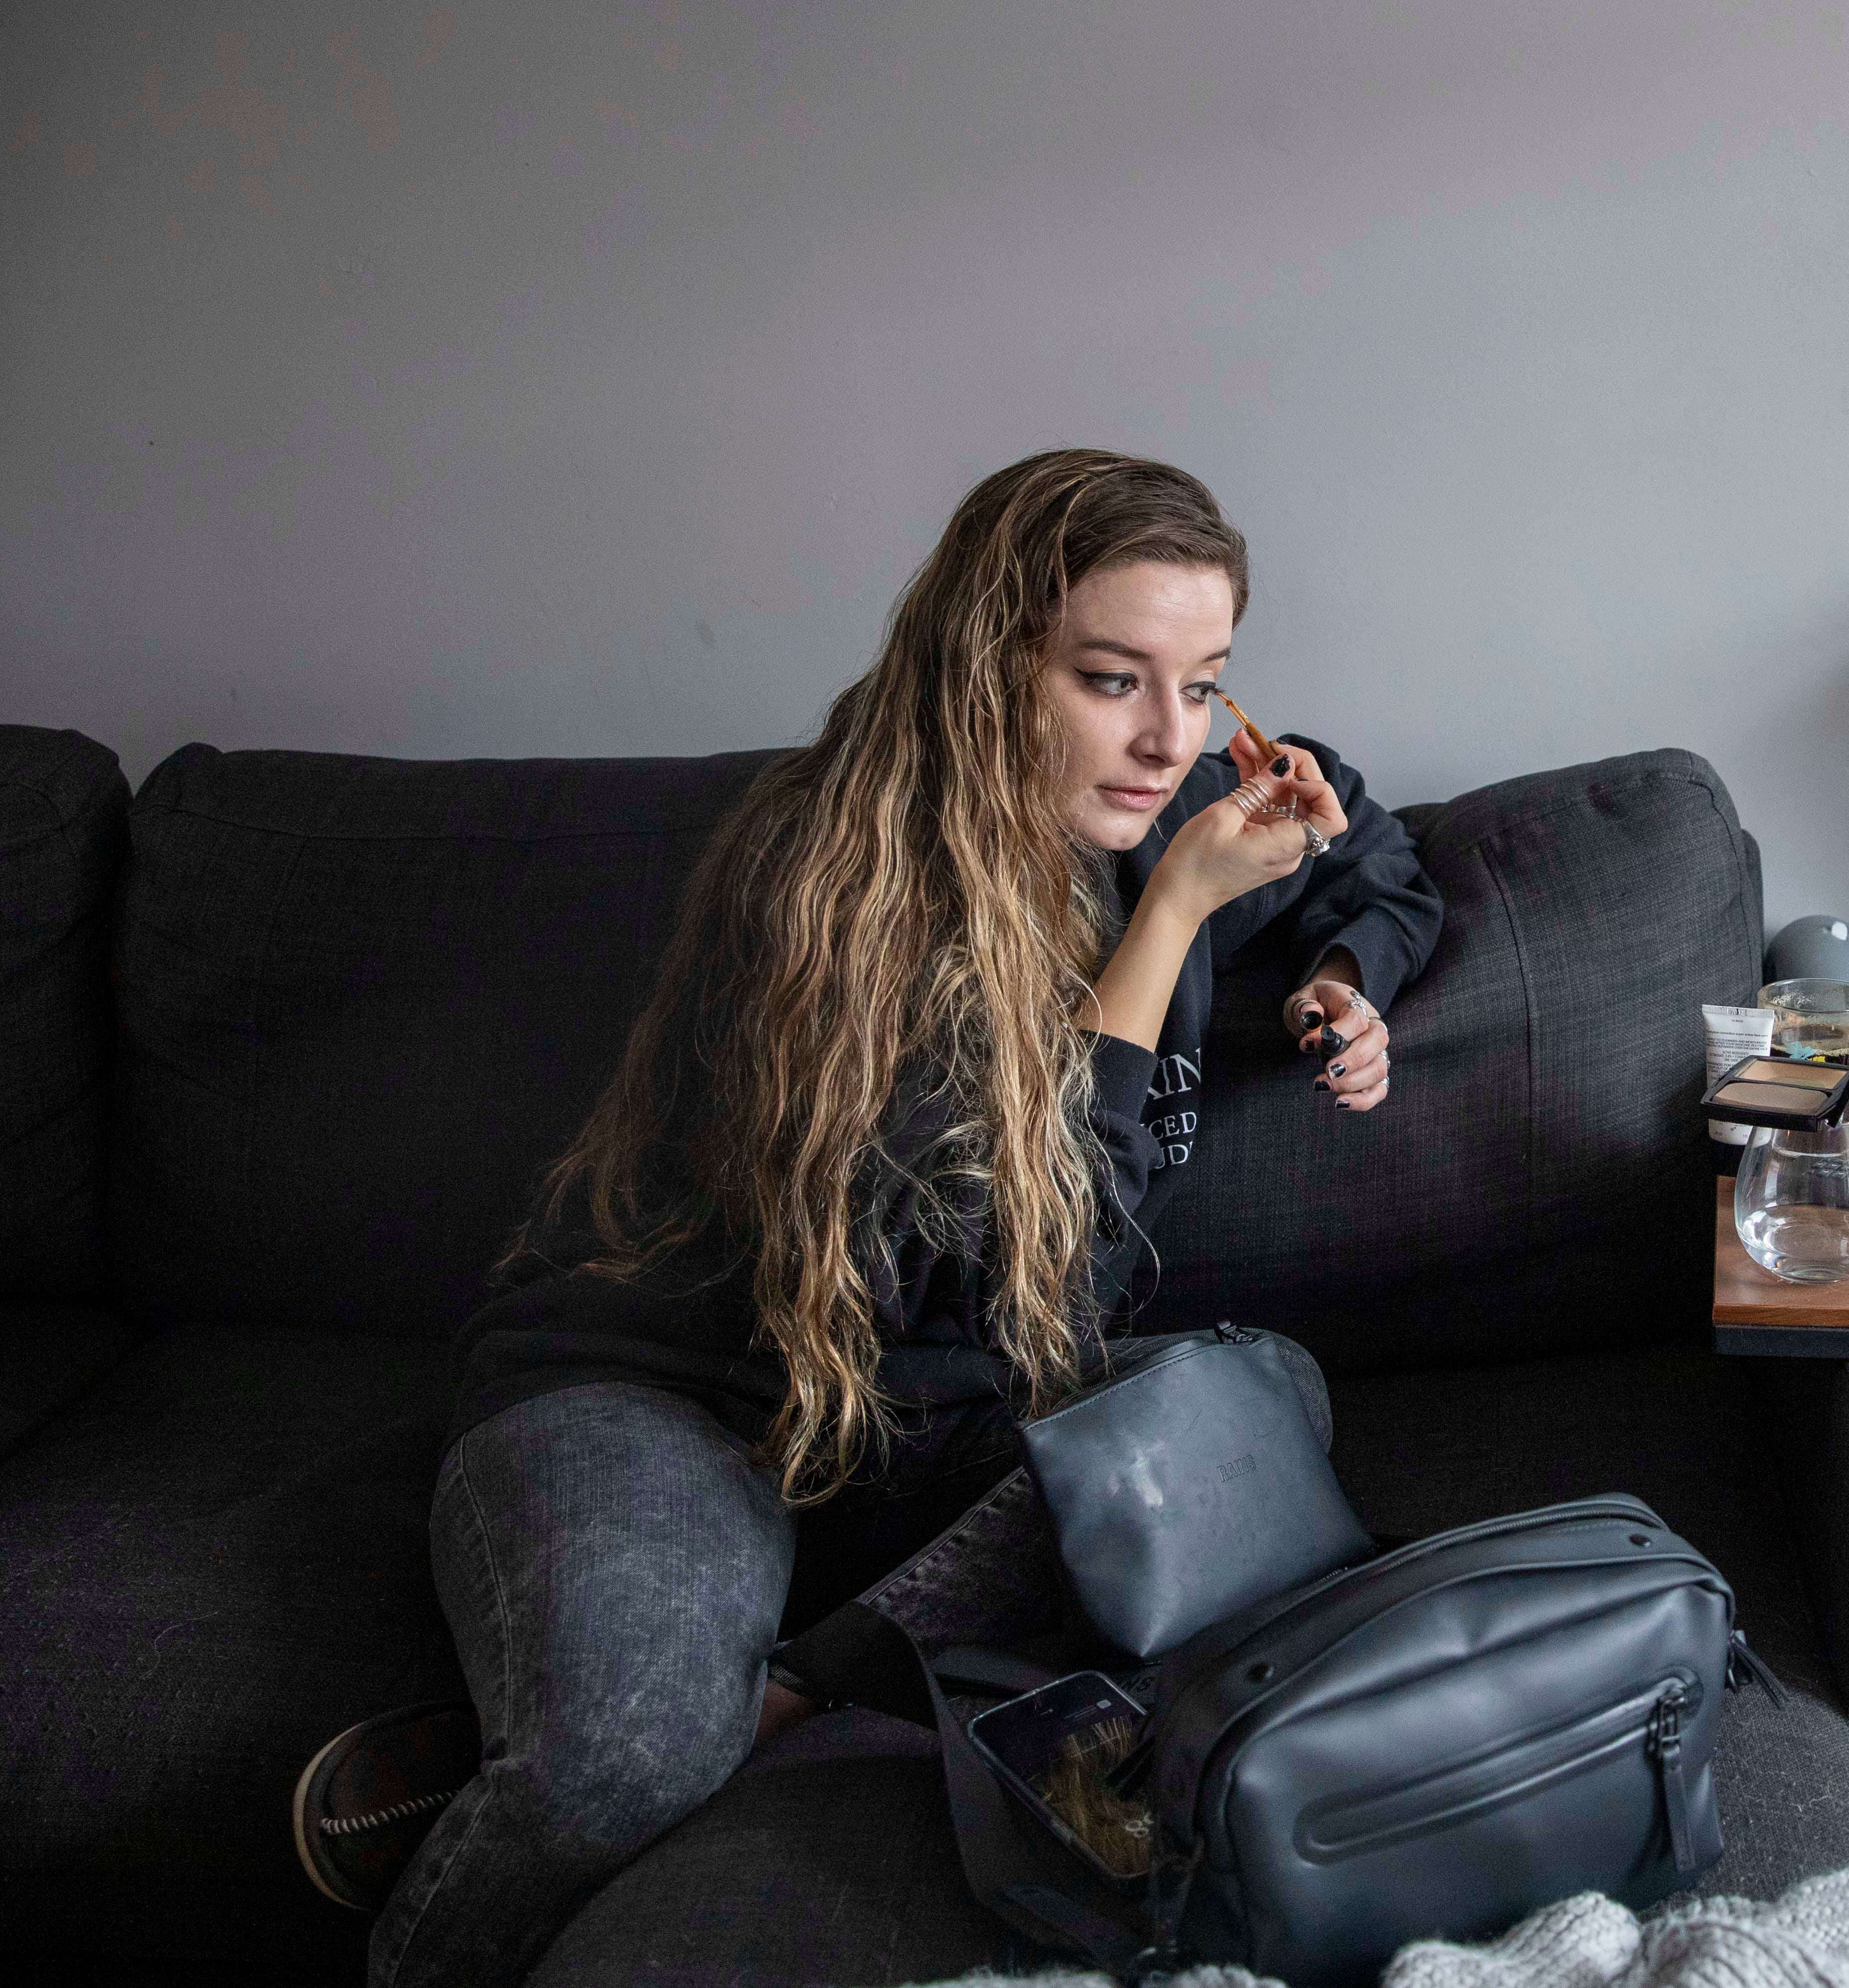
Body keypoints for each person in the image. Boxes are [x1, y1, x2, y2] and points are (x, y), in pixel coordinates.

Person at [288, 450, 1444, 1988]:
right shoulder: (831, 884)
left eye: (1204, 681)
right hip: (675, 1398)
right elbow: (1023, 1282)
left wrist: (1339, 976)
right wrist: (1173, 918)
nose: (1170, 742)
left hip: (916, 1428)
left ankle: (772, 1702)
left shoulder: (1170, 792)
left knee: (1253, 1395)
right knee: (620, 1759)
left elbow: (1368, 849)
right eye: (1113, 681)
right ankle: (662, 1736)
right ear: (991, 670)